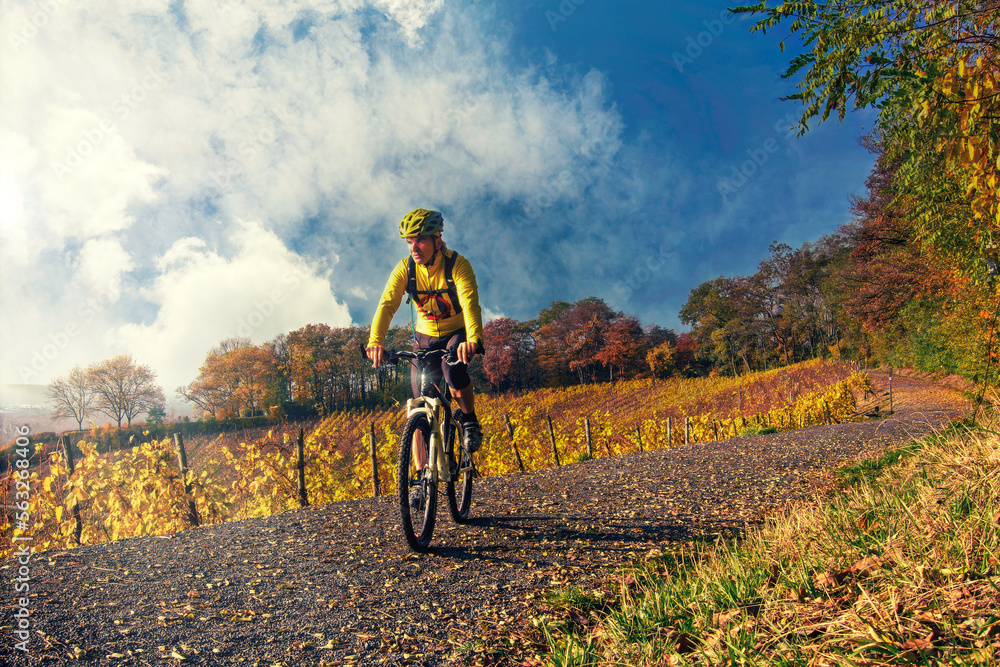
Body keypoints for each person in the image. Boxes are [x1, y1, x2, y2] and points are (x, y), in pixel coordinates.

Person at [365, 208, 485, 463]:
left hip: (456, 333)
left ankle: (469, 419)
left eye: (420, 240)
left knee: (453, 371)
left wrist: (473, 340)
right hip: (425, 337)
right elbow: (387, 304)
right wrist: (375, 342)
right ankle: (421, 480)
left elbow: (470, 303)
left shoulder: (457, 265)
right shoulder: (405, 268)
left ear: (437, 240)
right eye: (409, 241)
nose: (413, 247)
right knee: (419, 405)